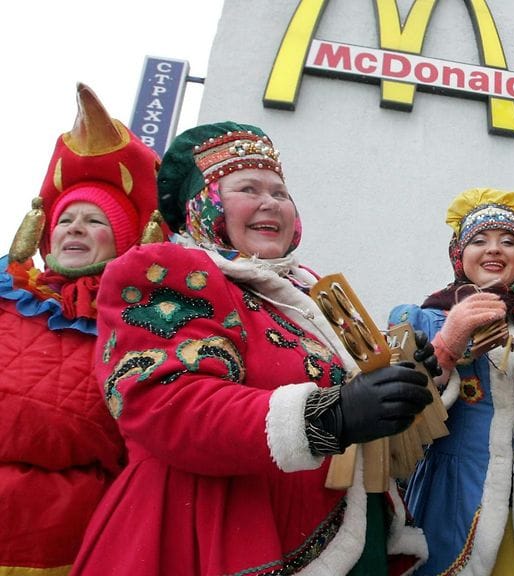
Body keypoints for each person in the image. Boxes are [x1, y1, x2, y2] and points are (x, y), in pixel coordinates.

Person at [71, 121, 436, 575]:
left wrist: (407, 372)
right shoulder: (167, 269)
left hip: (343, 526)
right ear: (204, 205)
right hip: (214, 530)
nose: (271, 202)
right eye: (248, 189)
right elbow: (165, 400)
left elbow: (348, 386)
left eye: (280, 192)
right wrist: (328, 416)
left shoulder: (306, 291)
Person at [0, 83, 166, 576]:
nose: (73, 227)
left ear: (128, 241)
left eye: (95, 220)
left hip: (59, 544)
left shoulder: (145, 327)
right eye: (65, 218)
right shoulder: (7, 294)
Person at [388, 188, 514, 575]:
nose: (494, 249)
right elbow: (396, 422)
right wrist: (448, 343)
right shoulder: (423, 320)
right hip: (452, 503)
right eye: (479, 240)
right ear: (458, 253)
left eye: (508, 241)